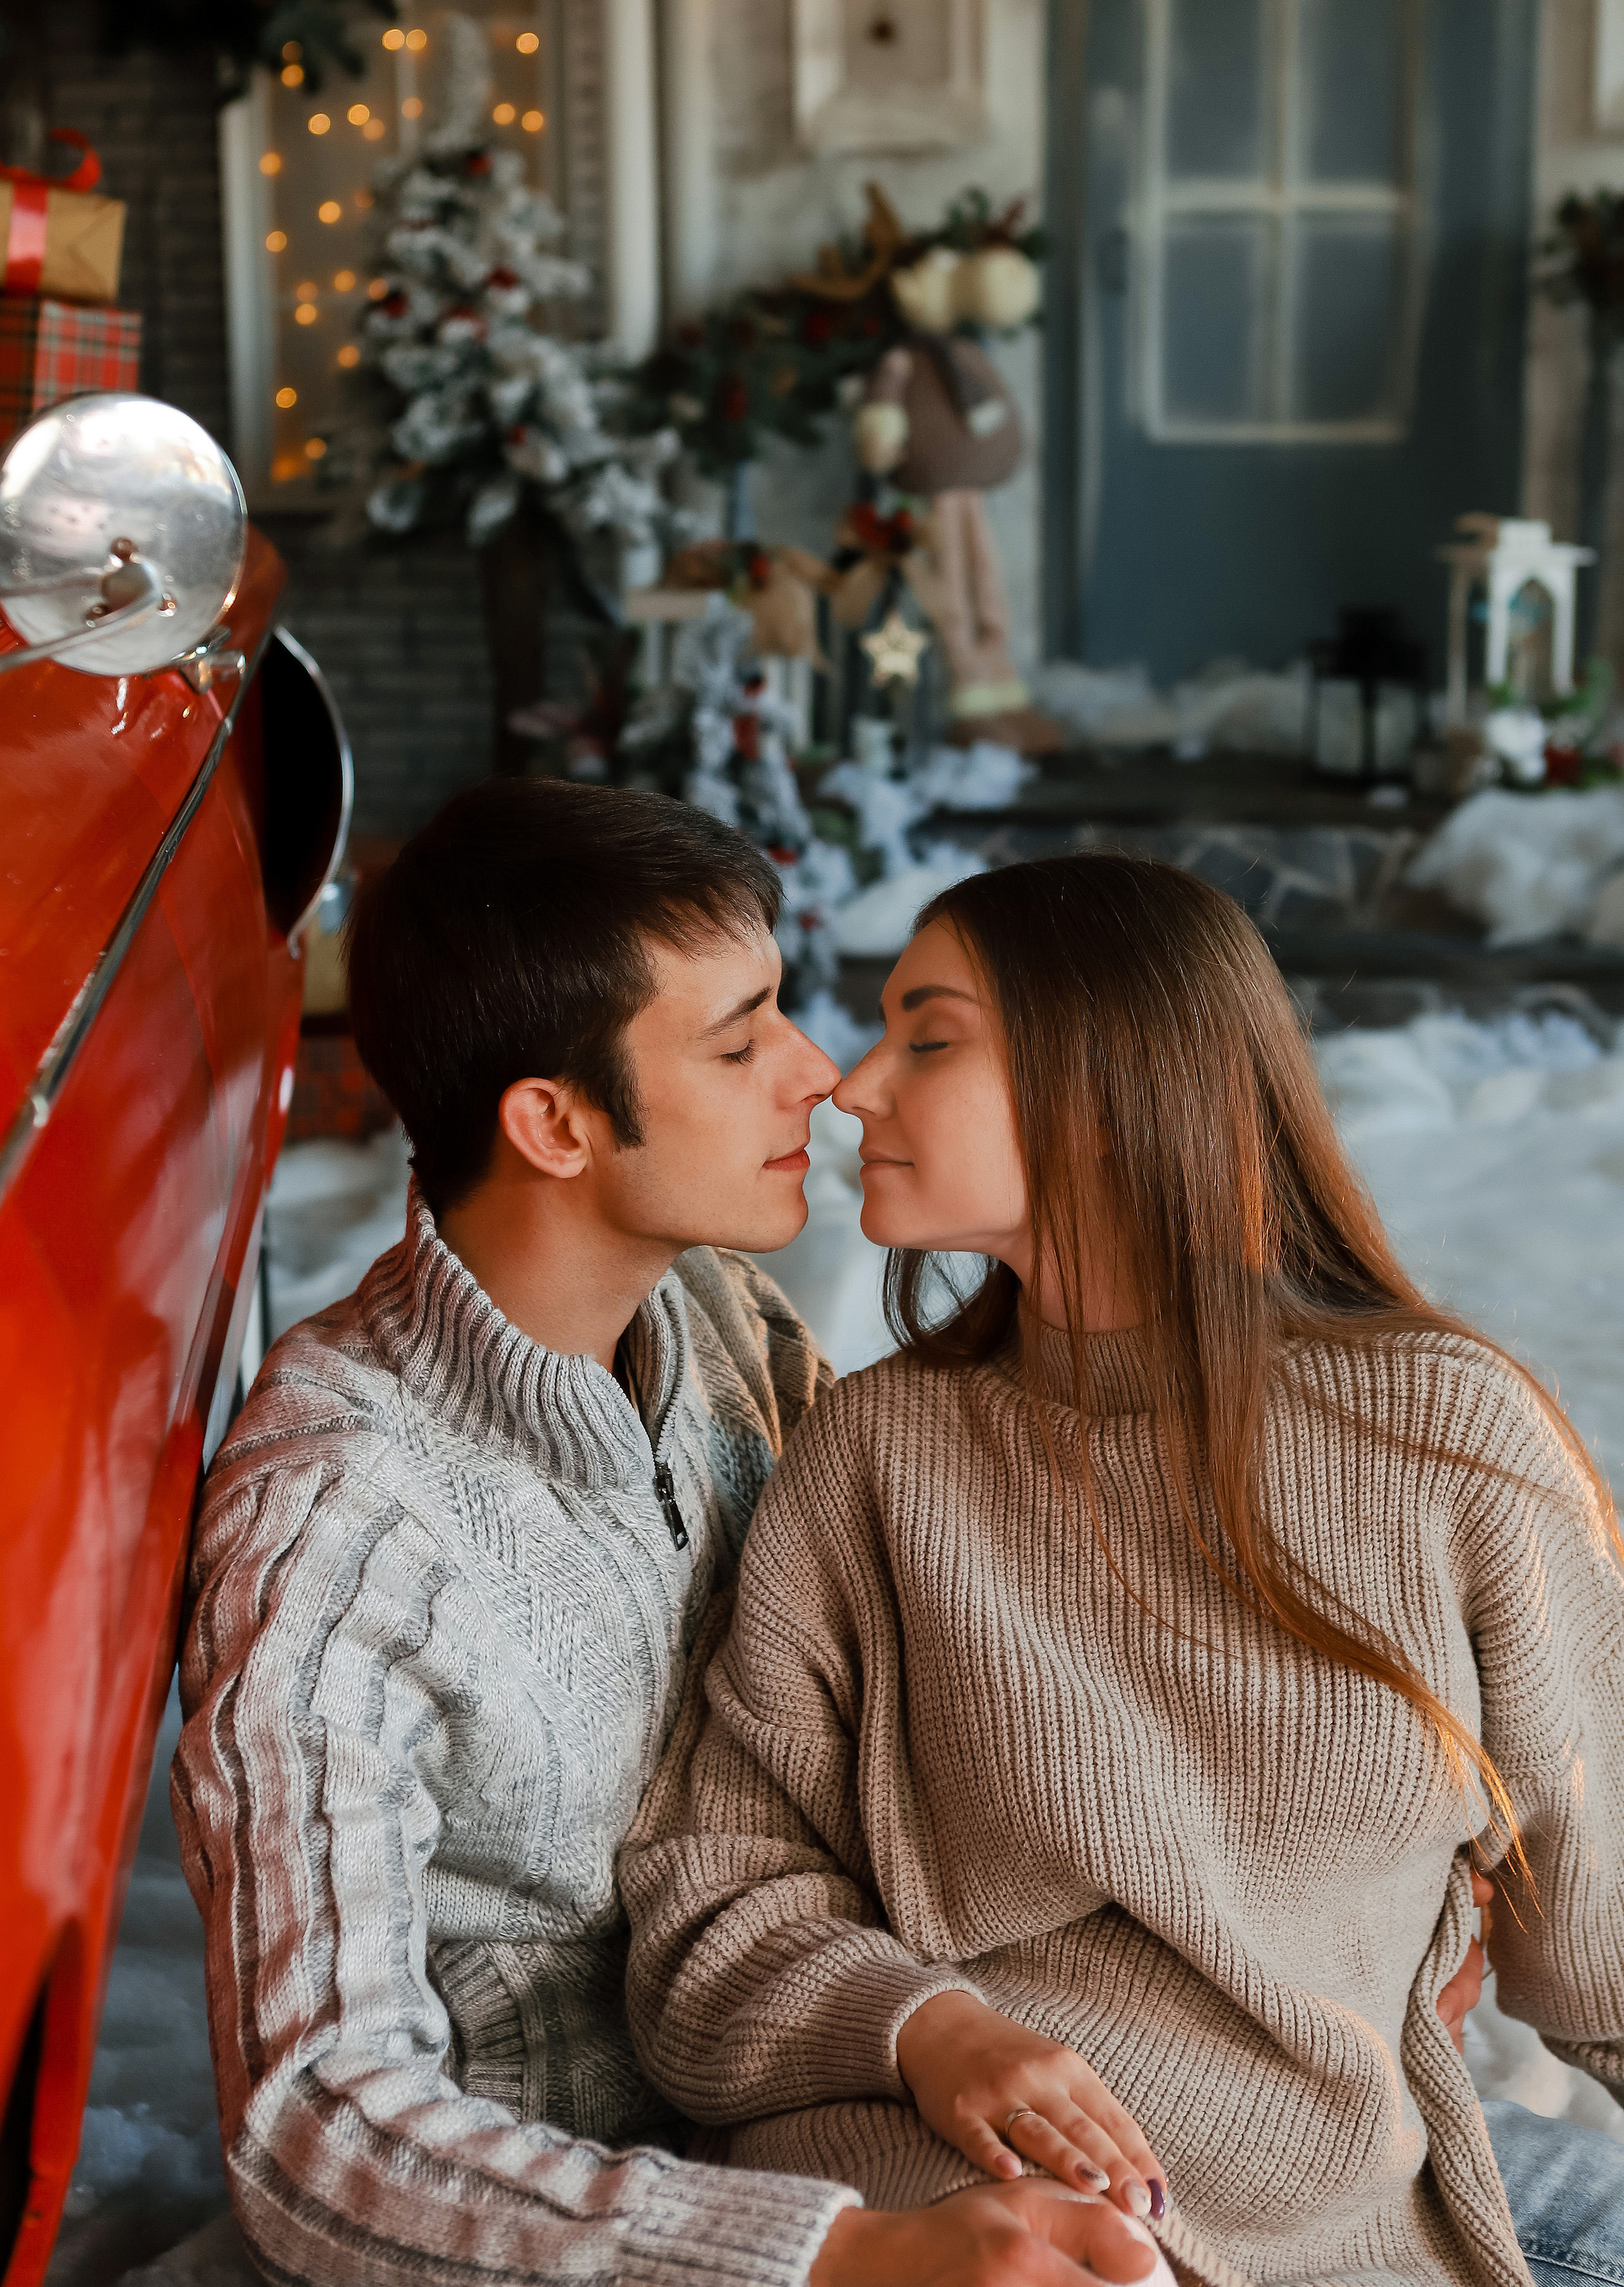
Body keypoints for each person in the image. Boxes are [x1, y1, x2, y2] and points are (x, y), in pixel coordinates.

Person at [170, 783, 1167, 2287]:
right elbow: (324, 2132)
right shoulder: (332, 1530)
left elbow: (936, 1604)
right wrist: (843, 2262)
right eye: (738, 1039)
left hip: (870, 2065)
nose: (818, 1078)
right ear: (555, 1124)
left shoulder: (710, 1318)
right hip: (630, 2221)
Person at [621, 853, 1624, 2287]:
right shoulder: (873, 1457)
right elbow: (710, 1909)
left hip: (1328, 2221)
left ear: (1106, 1082)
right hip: (936, 2204)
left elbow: (1599, 1933)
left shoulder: (1444, 1439)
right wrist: (924, 2028)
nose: (849, 1086)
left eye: (929, 1036)